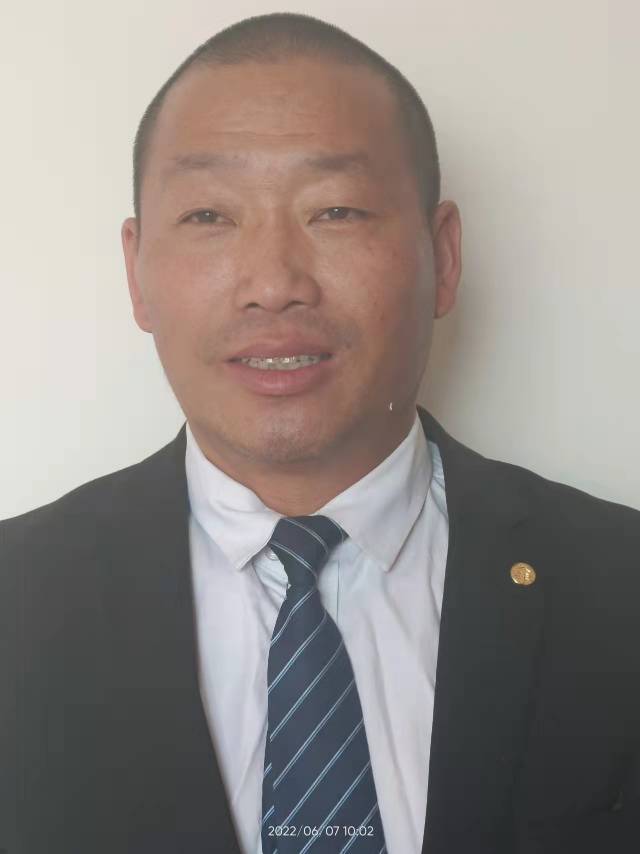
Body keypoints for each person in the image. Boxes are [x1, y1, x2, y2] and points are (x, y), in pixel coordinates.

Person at [1, 11, 638, 854]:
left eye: (336, 210)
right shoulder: (17, 601)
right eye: (208, 216)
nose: (274, 284)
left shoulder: (619, 590)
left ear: (443, 256)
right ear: (137, 271)